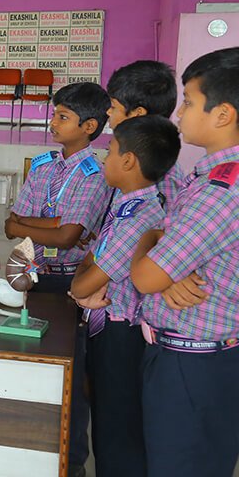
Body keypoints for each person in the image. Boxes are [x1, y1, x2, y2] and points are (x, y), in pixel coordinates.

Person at [131, 47, 239, 477]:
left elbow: (146, 277)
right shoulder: (208, 178)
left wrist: (150, 245)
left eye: (190, 102)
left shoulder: (220, 191)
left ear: (223, 114)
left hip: (193, 366)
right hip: (196, 360)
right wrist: (163, 260)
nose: (179, 114)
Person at [4, 81, 112, 476]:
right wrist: (51, 225)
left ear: (89, 126)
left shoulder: (96, 173)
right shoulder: (43, 166)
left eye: (63, 117)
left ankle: (72, 461)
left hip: (72, 284)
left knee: (71, 373)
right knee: (32, 366)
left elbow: (68, 237)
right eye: (54, 114)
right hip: (34, 276)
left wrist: (36, 226)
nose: (53, 122)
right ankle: (32, 450)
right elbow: (11, 225)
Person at [70, 116, 181, 477]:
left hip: (122, 335)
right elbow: (89, 262)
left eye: (111, 151)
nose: (105, 158)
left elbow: (82, 285)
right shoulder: (126, 205)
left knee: (118, 429)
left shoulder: (140, 217)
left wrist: (82, 284)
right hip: (106, 328)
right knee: (106, 422)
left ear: (129, 161)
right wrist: (85, 278)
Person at [106, 60, 185, 206]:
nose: (108, 112)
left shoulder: (163, 178)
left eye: (113, 107)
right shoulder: (124, 155)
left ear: (137, 114)